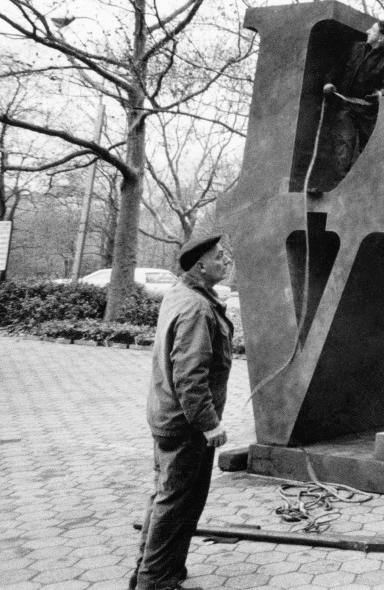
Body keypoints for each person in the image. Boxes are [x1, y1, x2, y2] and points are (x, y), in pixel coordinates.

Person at [132, 235, 235, 590]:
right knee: (178, 503)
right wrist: (209, 425)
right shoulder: (196, 307)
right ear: (201, 267)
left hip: (166, 416)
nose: (227, 259)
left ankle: (155, 567)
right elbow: (190, 377)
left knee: (166, 495)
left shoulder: (182, 293)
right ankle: (155, 580)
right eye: (220, 256)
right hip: (185, 425)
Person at [310, 20, 384, 191]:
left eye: (372, 30)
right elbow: (337, 67)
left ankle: (364, 191)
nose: (367, 31)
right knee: (343, 146)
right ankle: (340, 191)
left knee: (368, 153)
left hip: (369, 113)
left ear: (380, 37)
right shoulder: (356, 48)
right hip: (346, 106)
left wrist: (380, 95)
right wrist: (329, 83)